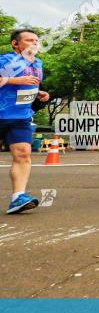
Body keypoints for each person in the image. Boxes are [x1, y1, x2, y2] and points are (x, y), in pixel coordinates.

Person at [0, 29, 49, 214]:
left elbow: (28, 85)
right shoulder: (5, 61)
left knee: (23, 153)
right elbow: (15, 81)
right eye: (29, 40)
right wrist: (14, 79)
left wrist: (39, 93)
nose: (35, 43)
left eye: (37, 40)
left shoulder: (38, 63)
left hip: (20, 116)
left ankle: (17, 197)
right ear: (15, 44)